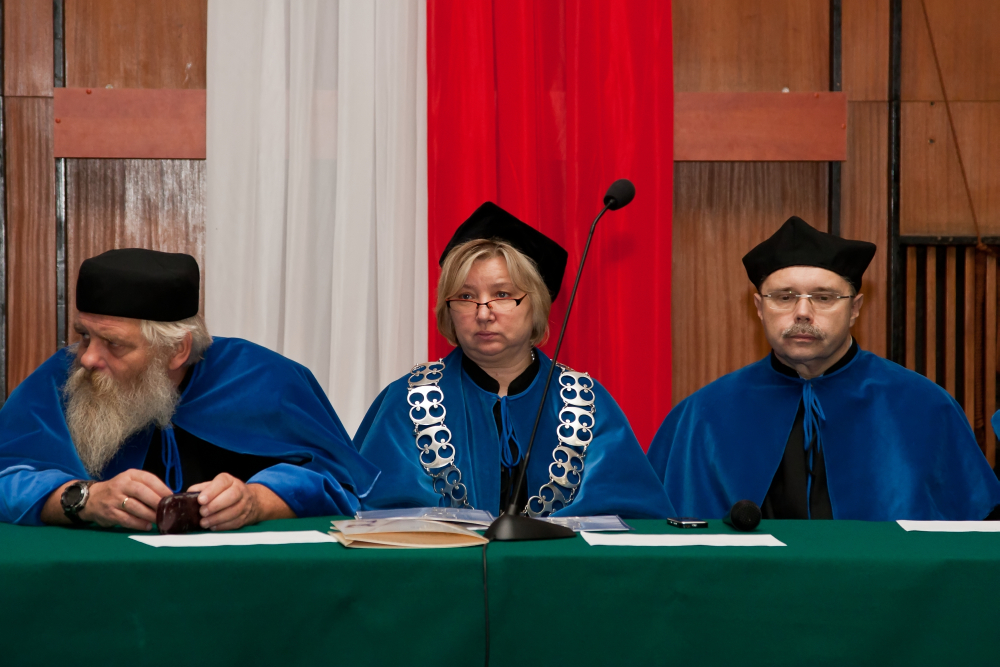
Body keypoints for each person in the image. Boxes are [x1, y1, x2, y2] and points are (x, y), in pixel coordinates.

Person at [647, 216, 1000, 521]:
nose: (802, 312)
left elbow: (974, 534)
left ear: (855, 308)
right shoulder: (704, 415)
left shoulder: (923, 406)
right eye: (784, 297)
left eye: (824, 297)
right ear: (759, 308)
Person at [0, 248, 378, 530]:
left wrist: (257, 501)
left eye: (114, 343)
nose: (87, 358)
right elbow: (7, 474)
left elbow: (343, 483)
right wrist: (83, 498)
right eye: (84, 336)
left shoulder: (264, 379)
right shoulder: (63, 379)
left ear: (177, 350)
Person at [354, 202, 670, 518]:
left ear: (536, 304)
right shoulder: (408, 401)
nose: (483, 313)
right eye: (466, 297)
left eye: (502, 294)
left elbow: (634, 517)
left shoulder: (585, 404)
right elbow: (375, 515)